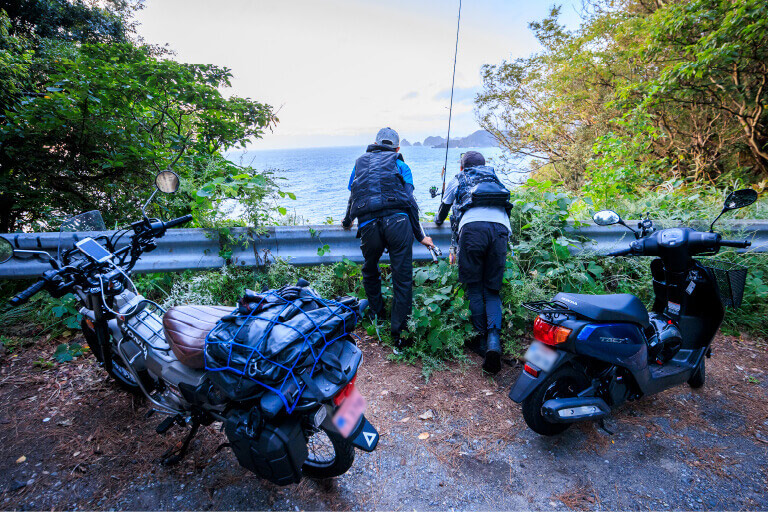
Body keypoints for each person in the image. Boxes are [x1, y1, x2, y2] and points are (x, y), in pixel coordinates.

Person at [342, 127, 434, 353]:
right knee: (402, 276)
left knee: (369, 268)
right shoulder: (401, 165)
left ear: (374, 144)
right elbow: (409, 200)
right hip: (398, 223)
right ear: (397, 148)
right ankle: (400, 336)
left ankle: (377, 314)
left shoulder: (359, 164)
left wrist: (347, 221)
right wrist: (420, 236)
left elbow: (353, 195)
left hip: (368, 224)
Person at [434, 151, 512, 373]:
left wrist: (438, 220)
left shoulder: (459, 178)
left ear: (462, 167)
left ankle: (481, 341)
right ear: (484, 165)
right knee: (492, 290)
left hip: (472, 230)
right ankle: (494, 341)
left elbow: (443, 211)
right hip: (499, 232)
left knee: (475, 288)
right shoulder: (495, 179)